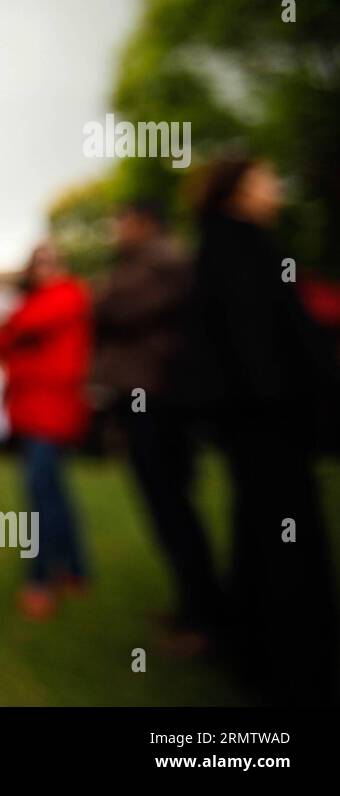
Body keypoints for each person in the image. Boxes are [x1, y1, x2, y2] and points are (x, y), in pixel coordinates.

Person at [190, 154, 339, 703]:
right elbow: (261, 347)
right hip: (268, 423)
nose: (275, 188)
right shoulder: (238, 250)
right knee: (284, 535)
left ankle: (260, 649)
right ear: (236, 191)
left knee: (263, 532)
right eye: (264, 179)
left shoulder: (235, 247)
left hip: (259, 422)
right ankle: (291, 662)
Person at [95, 200, 223, 650]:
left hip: (159, 398)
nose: (116, 229)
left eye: (122, 221)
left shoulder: (165, 261)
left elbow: (113, 309)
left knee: (172, 504)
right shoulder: (147, 262)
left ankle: (204, 616)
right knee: (164, 505)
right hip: (146, 396)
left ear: (144, 223)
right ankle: (192, 605)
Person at [0, 243, 92, 619]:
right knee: (54, 493)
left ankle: (40, 580)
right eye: (39, 263)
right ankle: (75, 569)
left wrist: (16, 326)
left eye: (52, 261)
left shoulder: (67, 295)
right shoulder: (42, 301)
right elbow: (0, 340)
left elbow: (21, 326)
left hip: (51, 413)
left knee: (41, 497)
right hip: (33, 412)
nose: (45, 269)